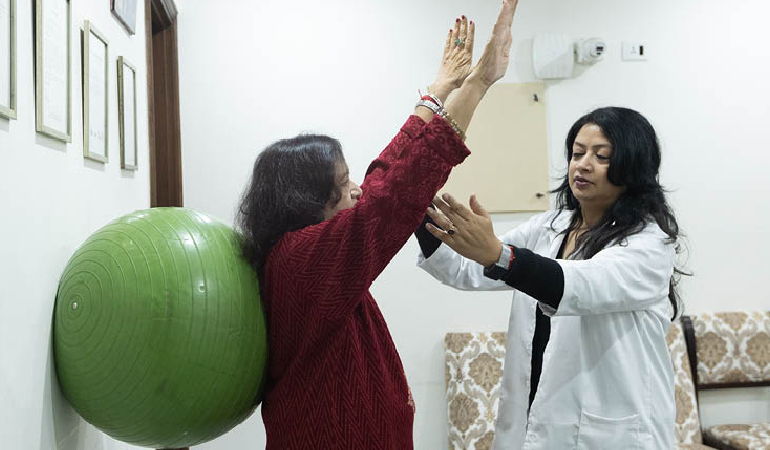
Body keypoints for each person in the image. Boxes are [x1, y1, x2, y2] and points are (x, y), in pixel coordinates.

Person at [235, 2, 520, 448]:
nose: (357, 189)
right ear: (306, 199)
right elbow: (393, 192)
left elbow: (383, 177)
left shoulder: (305, 254)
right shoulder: (304, 259)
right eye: (342, 183)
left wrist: (438, 92)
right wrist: (478, 84)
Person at [416, 106, 683, 449]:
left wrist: (498, 254)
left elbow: (583, 284)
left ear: (632, 168)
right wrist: (413, 207)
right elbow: (468, 269)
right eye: (577, 153)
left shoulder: (649, 242)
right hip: (536, 419)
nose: (583, 164)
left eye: (601, 157)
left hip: (614, 433)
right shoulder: (552, 226)